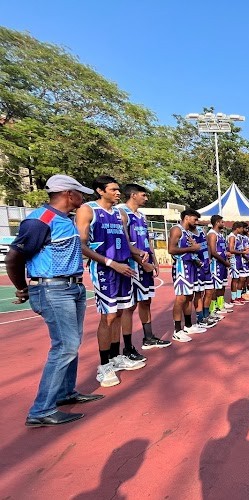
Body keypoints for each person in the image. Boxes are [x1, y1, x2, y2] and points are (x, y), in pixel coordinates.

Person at [5, 175, 103, 427]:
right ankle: (41, 410)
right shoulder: (40, 220)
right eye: (80, 193)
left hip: (72, 287)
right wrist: (22, 288)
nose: (83, 198)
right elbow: (14, 257)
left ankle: (65, 392)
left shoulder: (65, 220)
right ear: (68, 194)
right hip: (53, 289)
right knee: (65, 345)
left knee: (71, 343)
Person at [76, 175, 144, 388]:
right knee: (109, 315)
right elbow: (82, 245)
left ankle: (115, 357)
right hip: (105, 269)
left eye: (117, 190)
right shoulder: (88, 210)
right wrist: (111, 263)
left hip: (124, 268)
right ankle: (104, 364)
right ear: (100, 190)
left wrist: (140, 254)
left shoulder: (120, 214)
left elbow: (125, 241)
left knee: (123, 311)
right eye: (113, 189)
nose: (117, 193)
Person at [118, 184, 172, 352]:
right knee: (130, 305)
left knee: (146, 300)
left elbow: (148, 241)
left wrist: (154, 260)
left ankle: (148, 337)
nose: (146, 198)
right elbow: (125, 243)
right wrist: (142, 262)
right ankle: (127, 347)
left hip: (145, 264)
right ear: (133, 195)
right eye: (143, 195)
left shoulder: (141, 216)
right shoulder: (121, 212)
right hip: (132, 265)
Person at [168, 209, 207, 342]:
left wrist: (196, 251)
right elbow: (171, 249)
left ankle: (189, 325)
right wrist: (192, 249)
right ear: (187, 217)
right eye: (195, 219)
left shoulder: (188, 233)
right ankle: (177, 330)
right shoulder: (176, 229)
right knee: (181, 298)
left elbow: (195, 249)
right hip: (181, 267)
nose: (197, 222)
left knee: (189, 297)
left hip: (191, 267)